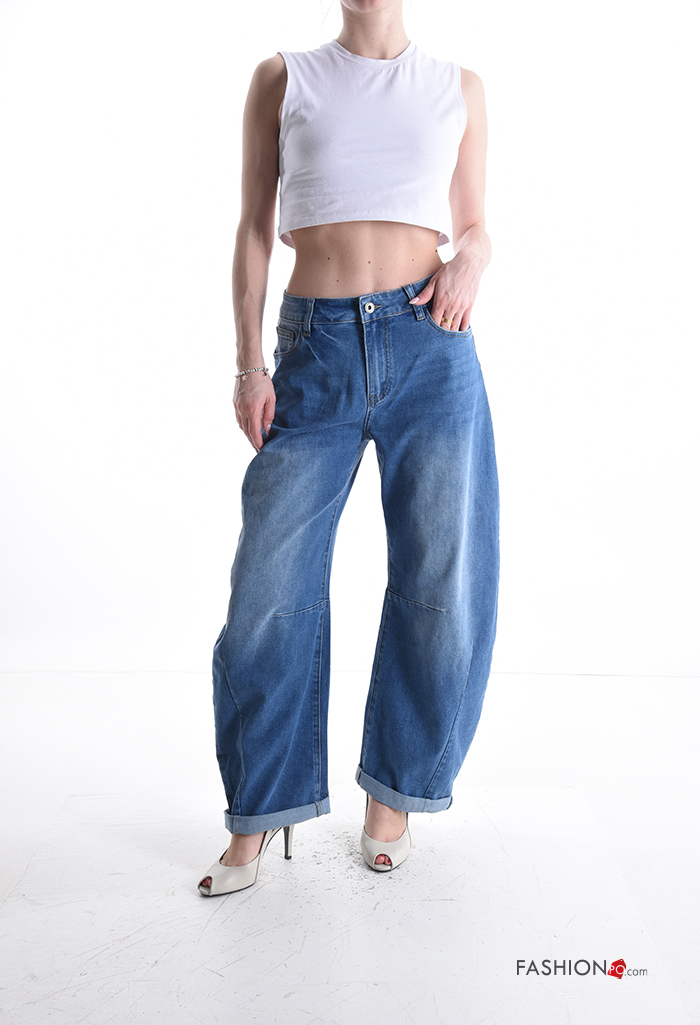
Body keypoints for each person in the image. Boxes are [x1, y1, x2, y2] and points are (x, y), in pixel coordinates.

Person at [198, 0, 500, 896]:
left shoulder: (457, 88)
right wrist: (249, 362)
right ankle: (263, 807)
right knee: (267, 588)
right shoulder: (283, 77)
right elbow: (254, 229)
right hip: (315, 351)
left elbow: (475, 225)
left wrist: (473, 259)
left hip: (431, 343)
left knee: (439, 580)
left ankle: (394, 795)